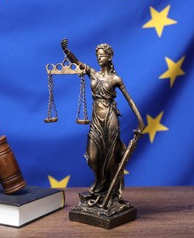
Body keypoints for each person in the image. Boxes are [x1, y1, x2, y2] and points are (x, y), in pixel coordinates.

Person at [61, 38, 145, 206]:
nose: (98, 58)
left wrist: (141, 121)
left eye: (101, 55)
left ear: (109, 57)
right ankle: (100, 184)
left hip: (110, 119)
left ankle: (111, 192)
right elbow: (77, 62)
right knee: (93, 158)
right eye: (97, 55)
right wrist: (67, 52)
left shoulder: (116, 79)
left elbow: (129, 100)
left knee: (111, 158)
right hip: (96, 120)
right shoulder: (93, 73)